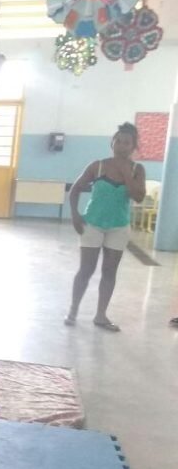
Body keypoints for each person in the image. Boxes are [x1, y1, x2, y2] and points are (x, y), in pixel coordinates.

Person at [66, 123, 146, 332]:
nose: (121, 146)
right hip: (92, 224)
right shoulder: (98, 166)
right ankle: (73, 310)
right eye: (118, 141)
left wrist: (126, 173)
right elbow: (75, 190)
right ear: (112, 143)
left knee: (109, 271)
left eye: (127, 143)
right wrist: (75, 215)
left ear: (133, 146)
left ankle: (101, 315)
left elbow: (138, 197)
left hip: (119, 227)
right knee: (86, 269)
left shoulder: (137, 170)